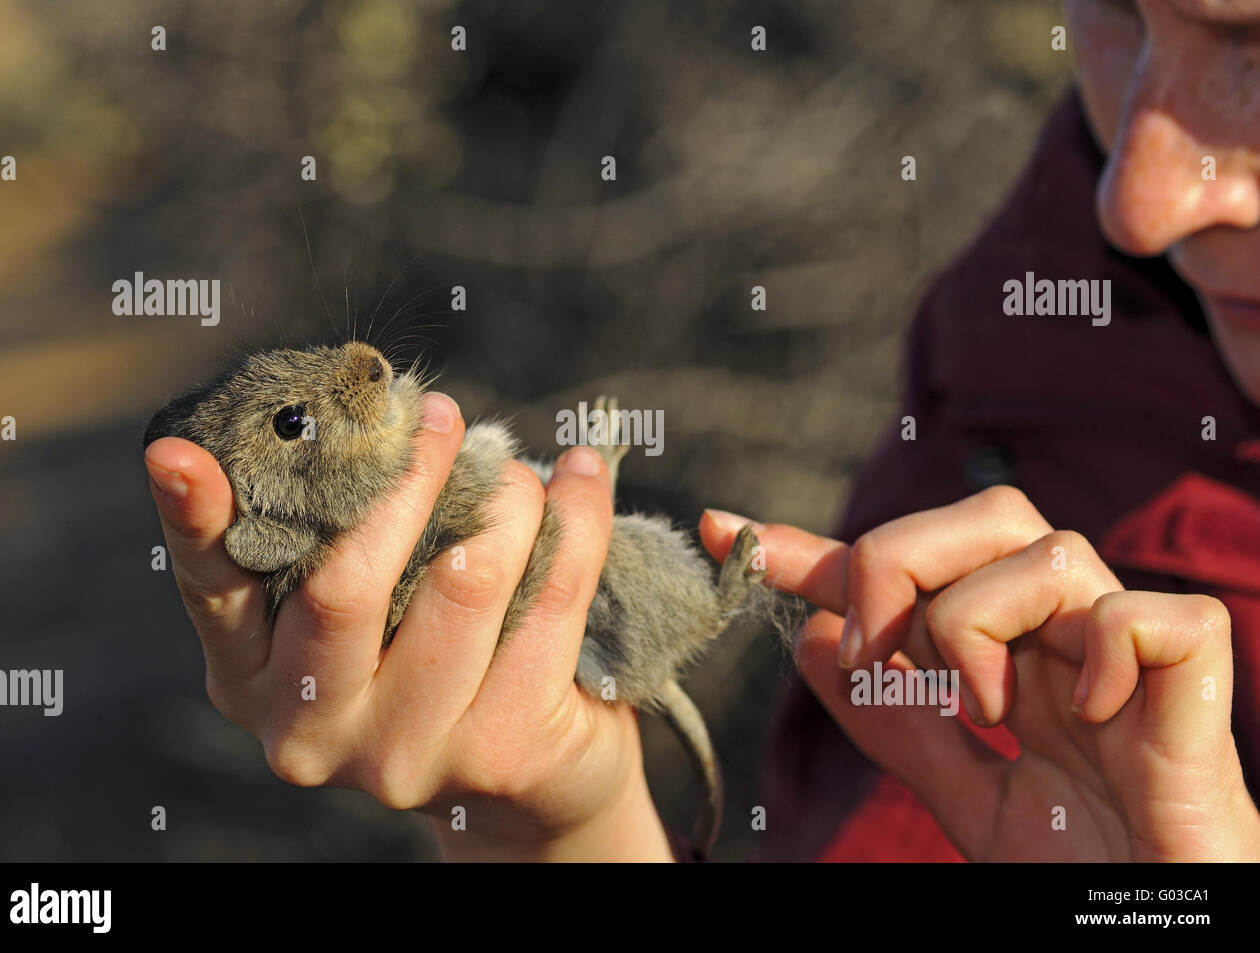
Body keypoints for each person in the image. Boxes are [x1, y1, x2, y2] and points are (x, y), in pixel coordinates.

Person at [144, 0, 1260, 861]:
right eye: (1115, 9)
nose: (1140, 199)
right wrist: (560, 819)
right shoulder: (1018, 338)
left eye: (1252, 42)